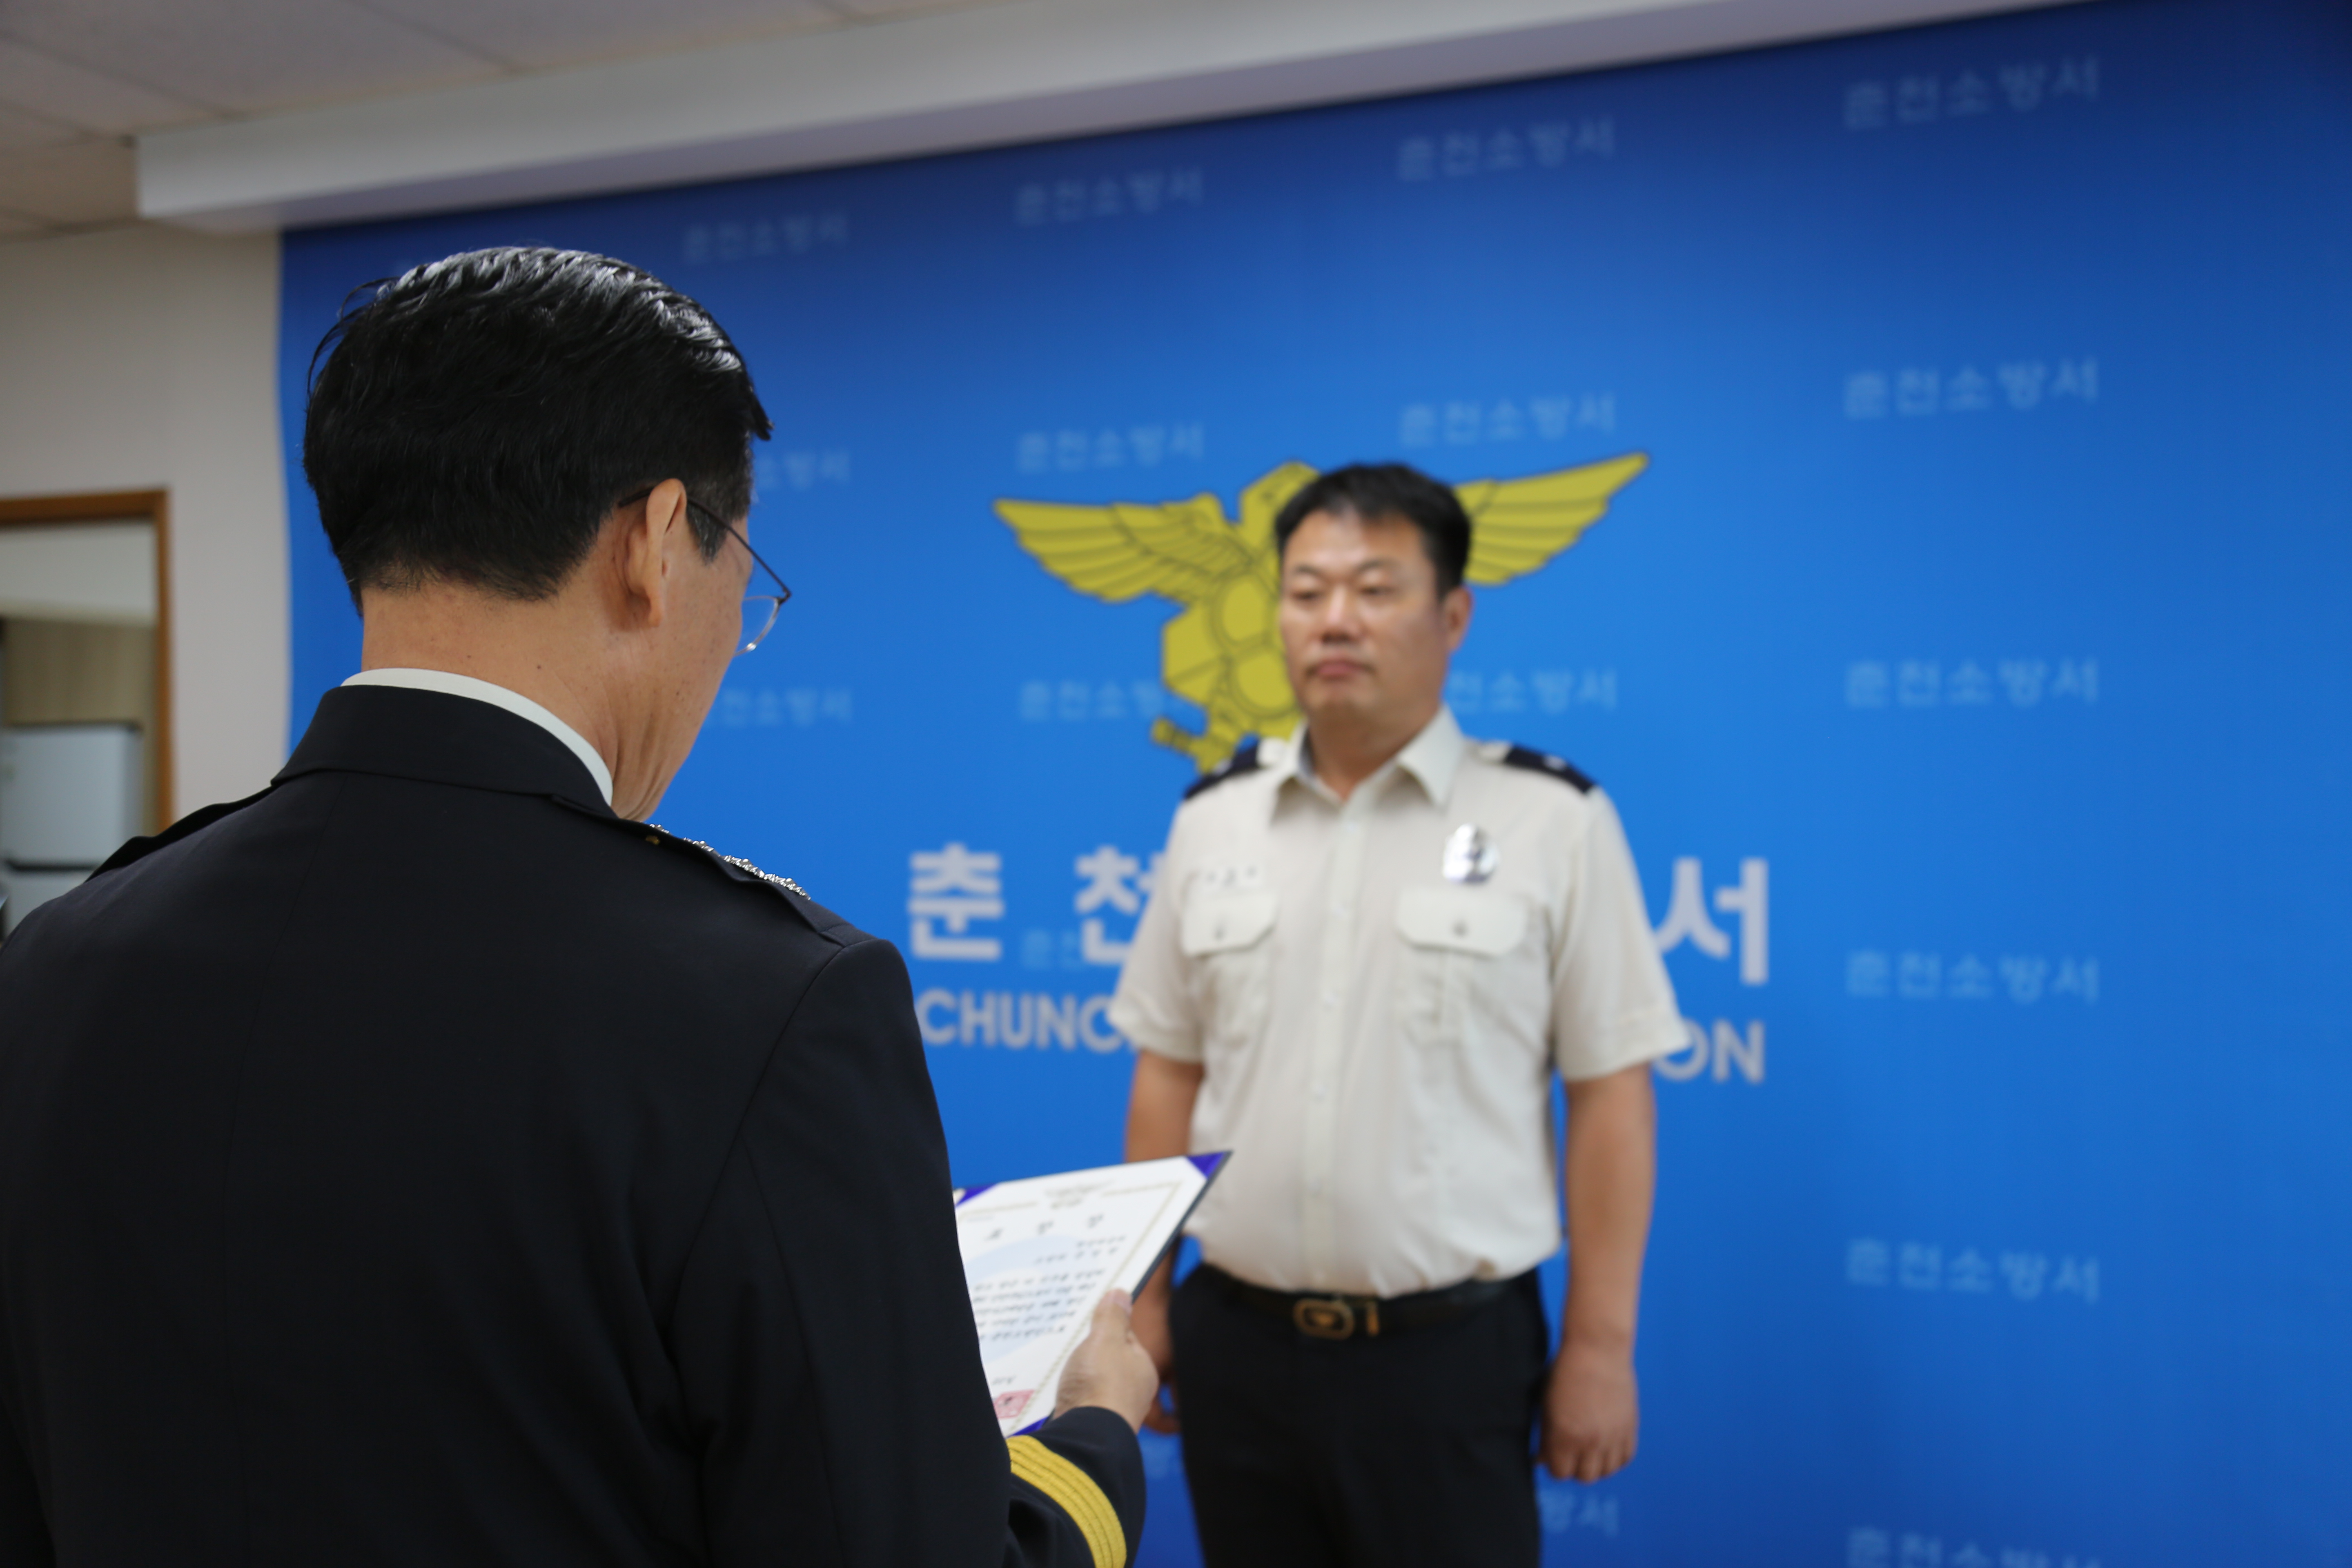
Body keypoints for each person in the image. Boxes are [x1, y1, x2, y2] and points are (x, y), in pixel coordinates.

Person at [0, 247, 1156, 1568]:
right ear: (655, 544)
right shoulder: (770, 1008)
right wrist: (1091, 1451)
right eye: (741, 578)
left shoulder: (60, 964)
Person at [1109, 463, 1683, 1567]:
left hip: (1449, 1356)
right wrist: (1147, 1300)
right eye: (1307, 591)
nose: (1336, 620)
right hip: (1237, 1344)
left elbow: (1612, 1093)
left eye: (1376, 589)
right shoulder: (1214, 818)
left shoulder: (1552, 819)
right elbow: (1169, 1069)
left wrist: (1601, 1346)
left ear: (1453, 615)